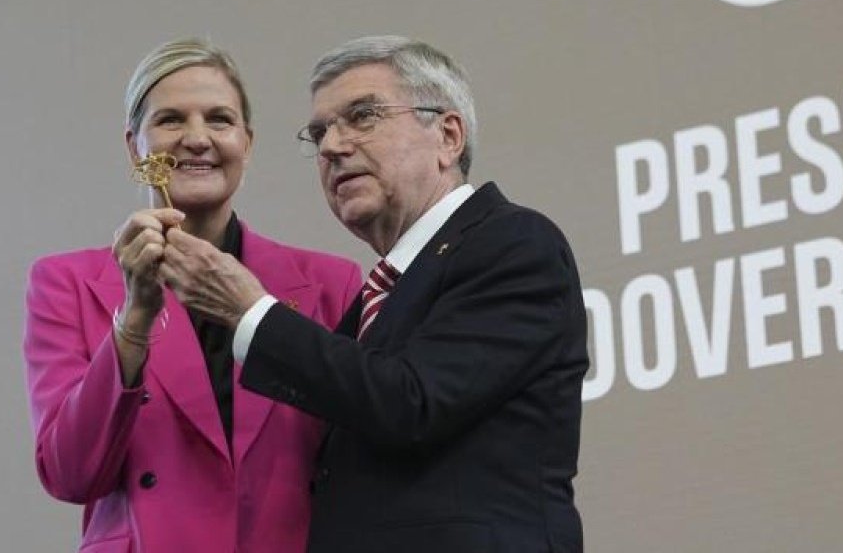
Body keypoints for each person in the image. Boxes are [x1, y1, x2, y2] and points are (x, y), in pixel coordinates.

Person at [159, 35, 588, 553]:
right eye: (320, 132)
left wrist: (250, 312)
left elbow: (410, 402)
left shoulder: (513, 242)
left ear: (448, 136)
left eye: (363, 117)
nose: (332, 147)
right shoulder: (377, 298)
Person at [22, 37, 361, 553]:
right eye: (171, 119)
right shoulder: (65, 282)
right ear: (134, 145)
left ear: (246, 143)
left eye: (219, 119)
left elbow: (361, 463)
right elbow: (70, 474)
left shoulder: (331, 283)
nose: (197, 138)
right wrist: (134, 321)